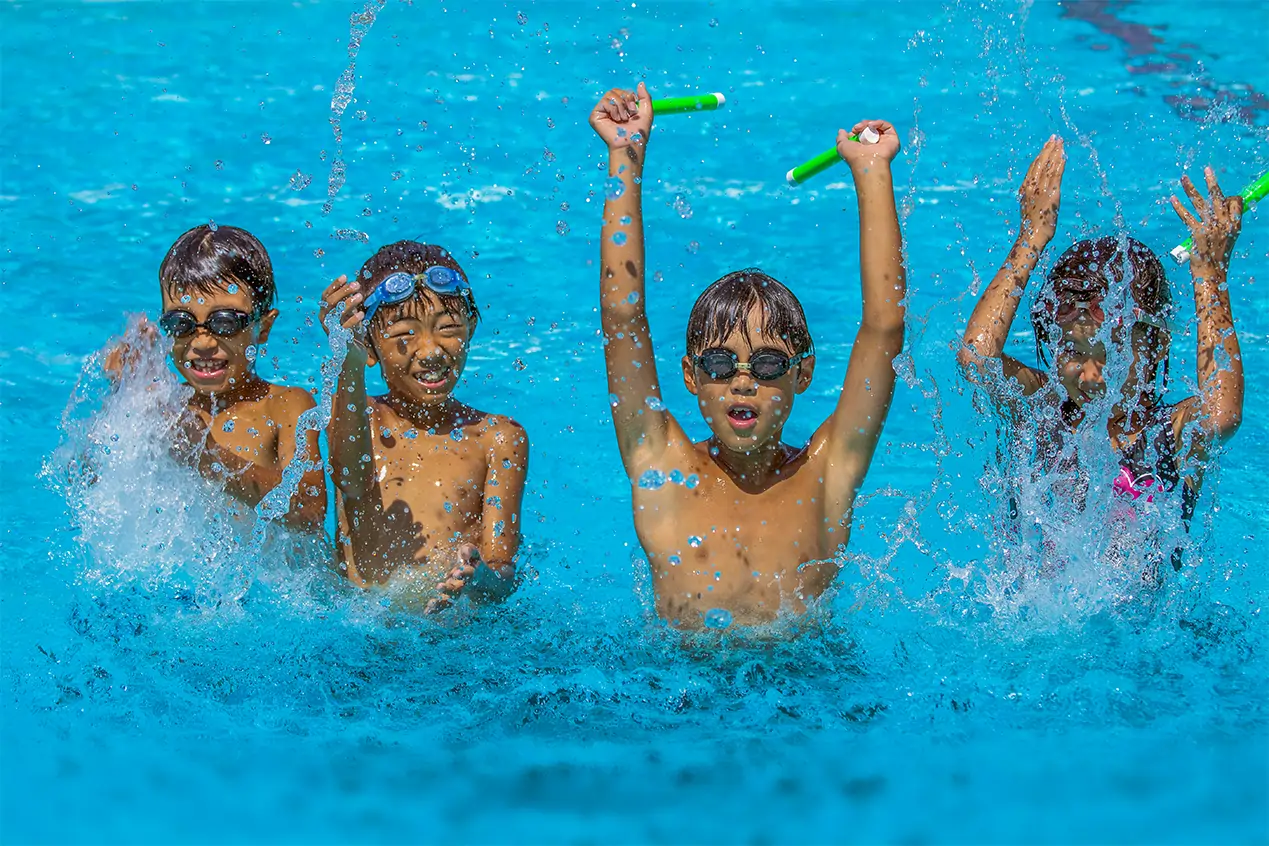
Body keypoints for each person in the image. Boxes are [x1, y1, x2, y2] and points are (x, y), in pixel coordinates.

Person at [589, 83, 907, 629]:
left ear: (802, 372)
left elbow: (884, 329)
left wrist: (873, 171)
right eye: (717, 363)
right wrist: (625, 157)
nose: (742, 382)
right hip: (679, 699)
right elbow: (622, 318)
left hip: (804, 700)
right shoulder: (662, 465)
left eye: (766, 364)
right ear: (690, 375)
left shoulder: (827, 472)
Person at [958, 136, 1244, 579]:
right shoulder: (1042, 410)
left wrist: (1209, 276)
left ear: (1157, 347)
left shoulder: (1170, 434)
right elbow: (977, 358)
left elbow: (1222, 414)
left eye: (1111, 355)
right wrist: (1030, 239)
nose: (1091, 376)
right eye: (1072, 350)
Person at [319, 241, 527, 612]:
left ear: (471, 328)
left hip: (452, 637)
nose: (431, 351)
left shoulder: (498, 438)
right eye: (405, 335)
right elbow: (348, 477)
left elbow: (502, 575)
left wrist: (478, 579)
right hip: (363, 638)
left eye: (448, 328)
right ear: (369, 347)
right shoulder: (361, 419)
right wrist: (347, 360)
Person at [103, 224, 326, 533]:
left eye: (225, 322)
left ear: (263, 327)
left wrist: (208, 456)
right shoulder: (166, 407)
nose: (203, 343)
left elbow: (309, 511)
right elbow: (90, 485)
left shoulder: (283, 406)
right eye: (181, 323)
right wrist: (124, 395)